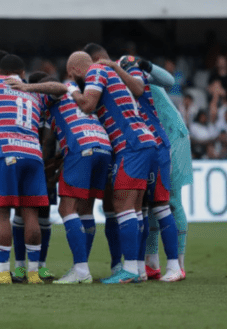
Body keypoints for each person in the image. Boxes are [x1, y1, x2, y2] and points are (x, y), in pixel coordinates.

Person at [44, 50, 158, 284]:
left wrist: (72, 89)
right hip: (144, 139)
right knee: (135, 208)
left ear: (74, 71)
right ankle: (138, 269)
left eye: (74, 78)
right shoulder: (110, 72)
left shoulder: (95, 72)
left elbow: (87, 105)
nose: (78, 84)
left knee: (122, 204)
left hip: (130, 143)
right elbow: (139, 90)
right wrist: (116, 68)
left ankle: (127, 270)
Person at [0, 54, 58, 285]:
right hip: (33, 155)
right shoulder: (34, 91)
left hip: (7, 153)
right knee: (31, 215)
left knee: (1, 214)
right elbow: (61, 89)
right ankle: (33, 273)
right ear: (22, 72)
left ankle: (2, 273)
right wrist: (29, 85)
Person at [96, 53, 182, 282]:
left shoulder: (131, 72)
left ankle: (174, 265)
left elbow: (146, 85)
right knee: (141, 207)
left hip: (154, 146)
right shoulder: (118, 83)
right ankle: (139, 268)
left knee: (161, 206)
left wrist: (124, 66)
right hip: (147, 145)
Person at [27, 72, 112, 285]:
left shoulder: (55, 93)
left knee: (66, 209)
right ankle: (80, 267)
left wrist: (28, 88)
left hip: (81, 147)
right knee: (85, 209)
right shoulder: (74, 93)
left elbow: (47, 140)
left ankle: (81, 270)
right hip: (102, 146)